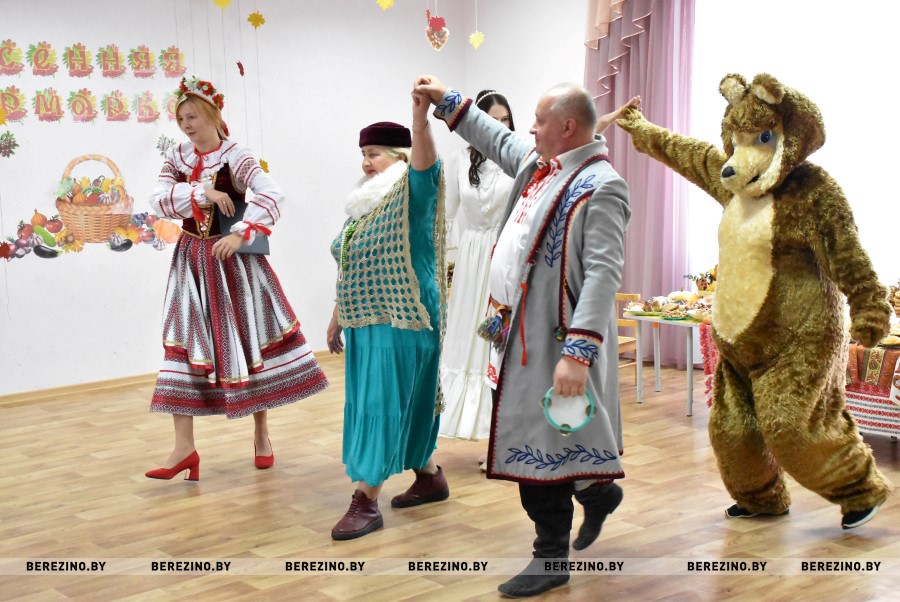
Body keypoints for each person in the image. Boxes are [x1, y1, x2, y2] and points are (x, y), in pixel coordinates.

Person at [416, 75, 631, 597]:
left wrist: (578, 352)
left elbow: (604, 274)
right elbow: (495, 137)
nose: (529, 129)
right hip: (514, 332)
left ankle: (551, 556)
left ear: (567, 126)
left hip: (555, 338)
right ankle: (596, 490)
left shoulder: (601, 186)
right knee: (544, 434)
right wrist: (446, 99)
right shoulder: (540, 162)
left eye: (538, 120)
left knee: (537, 443)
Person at [146, 76, 328, 481]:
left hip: (234, 265)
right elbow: (157, 199)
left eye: (193, 117)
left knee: (247, 341)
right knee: (184, 341)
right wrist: (202, 194)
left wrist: (240, 233)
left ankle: (261, 434)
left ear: (213, 115)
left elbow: (272, 194)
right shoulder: (177, 157)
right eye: (181, 119)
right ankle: (184, 448)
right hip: (192, 261)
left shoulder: (236, 156)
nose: (187, 125)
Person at [325, 87, 448, 540]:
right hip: (368, 317)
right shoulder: (364, 205)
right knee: (393, 399)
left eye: (373, 153)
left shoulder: (412, 191)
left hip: (405, 314)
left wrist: (420, 122)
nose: (365, 161)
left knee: (385, 401)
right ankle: (429, 476)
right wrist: (338, 314)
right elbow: (355, 265)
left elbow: (428, 165)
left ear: (400, 156)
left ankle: (366, 500)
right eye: (363, 153)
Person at [439, 90, 516, 453]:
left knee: (499, 339)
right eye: (492, 120)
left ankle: (500, 431)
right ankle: (462, 416)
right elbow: (446, 215)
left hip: (505, 255)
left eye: (505, 120)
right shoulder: (459, 160)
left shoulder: (517, 160)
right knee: (467, 334)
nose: (500, 127)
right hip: (471, 260)